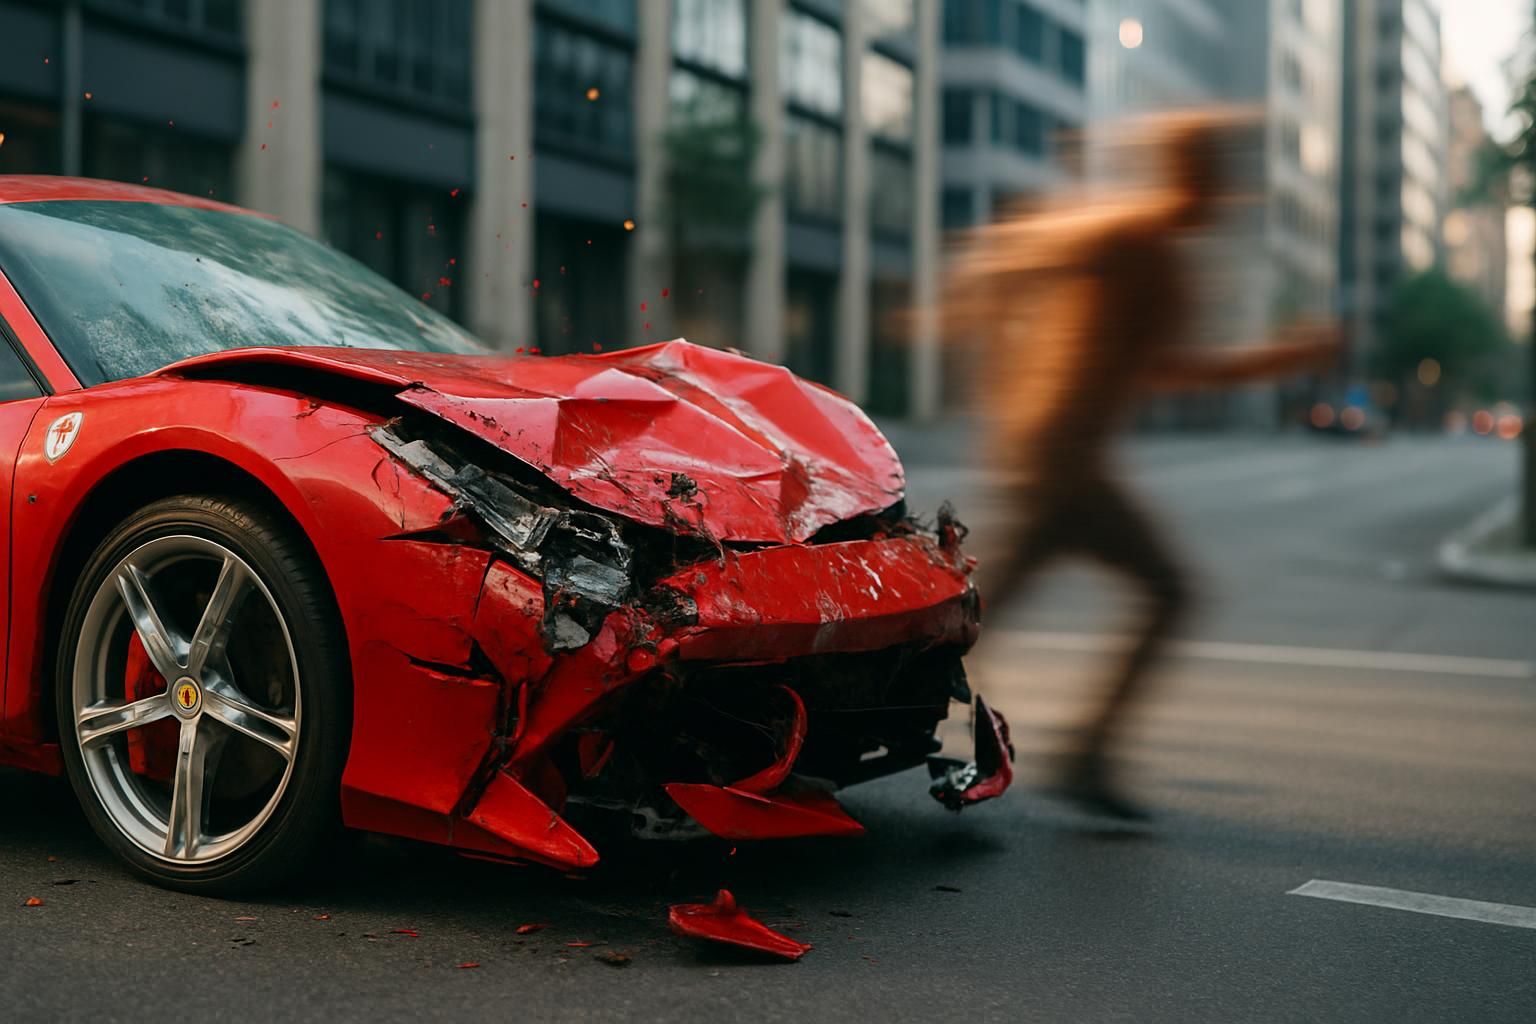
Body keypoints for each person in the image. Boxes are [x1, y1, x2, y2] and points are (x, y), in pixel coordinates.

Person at [945, 109, 1340, 820]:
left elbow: (1154, 361)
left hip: (1056, 454)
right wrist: (1287, 357)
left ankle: (857, 693)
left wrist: (1003, 384)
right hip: (1063, 459)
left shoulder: (1143, 242)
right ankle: (1083, 752)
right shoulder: (1139, 242)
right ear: (1193, 175)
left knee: (974, 618)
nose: (1228, 192)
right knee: (1167, 591)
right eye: (1219, 175)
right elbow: (1174, 364)